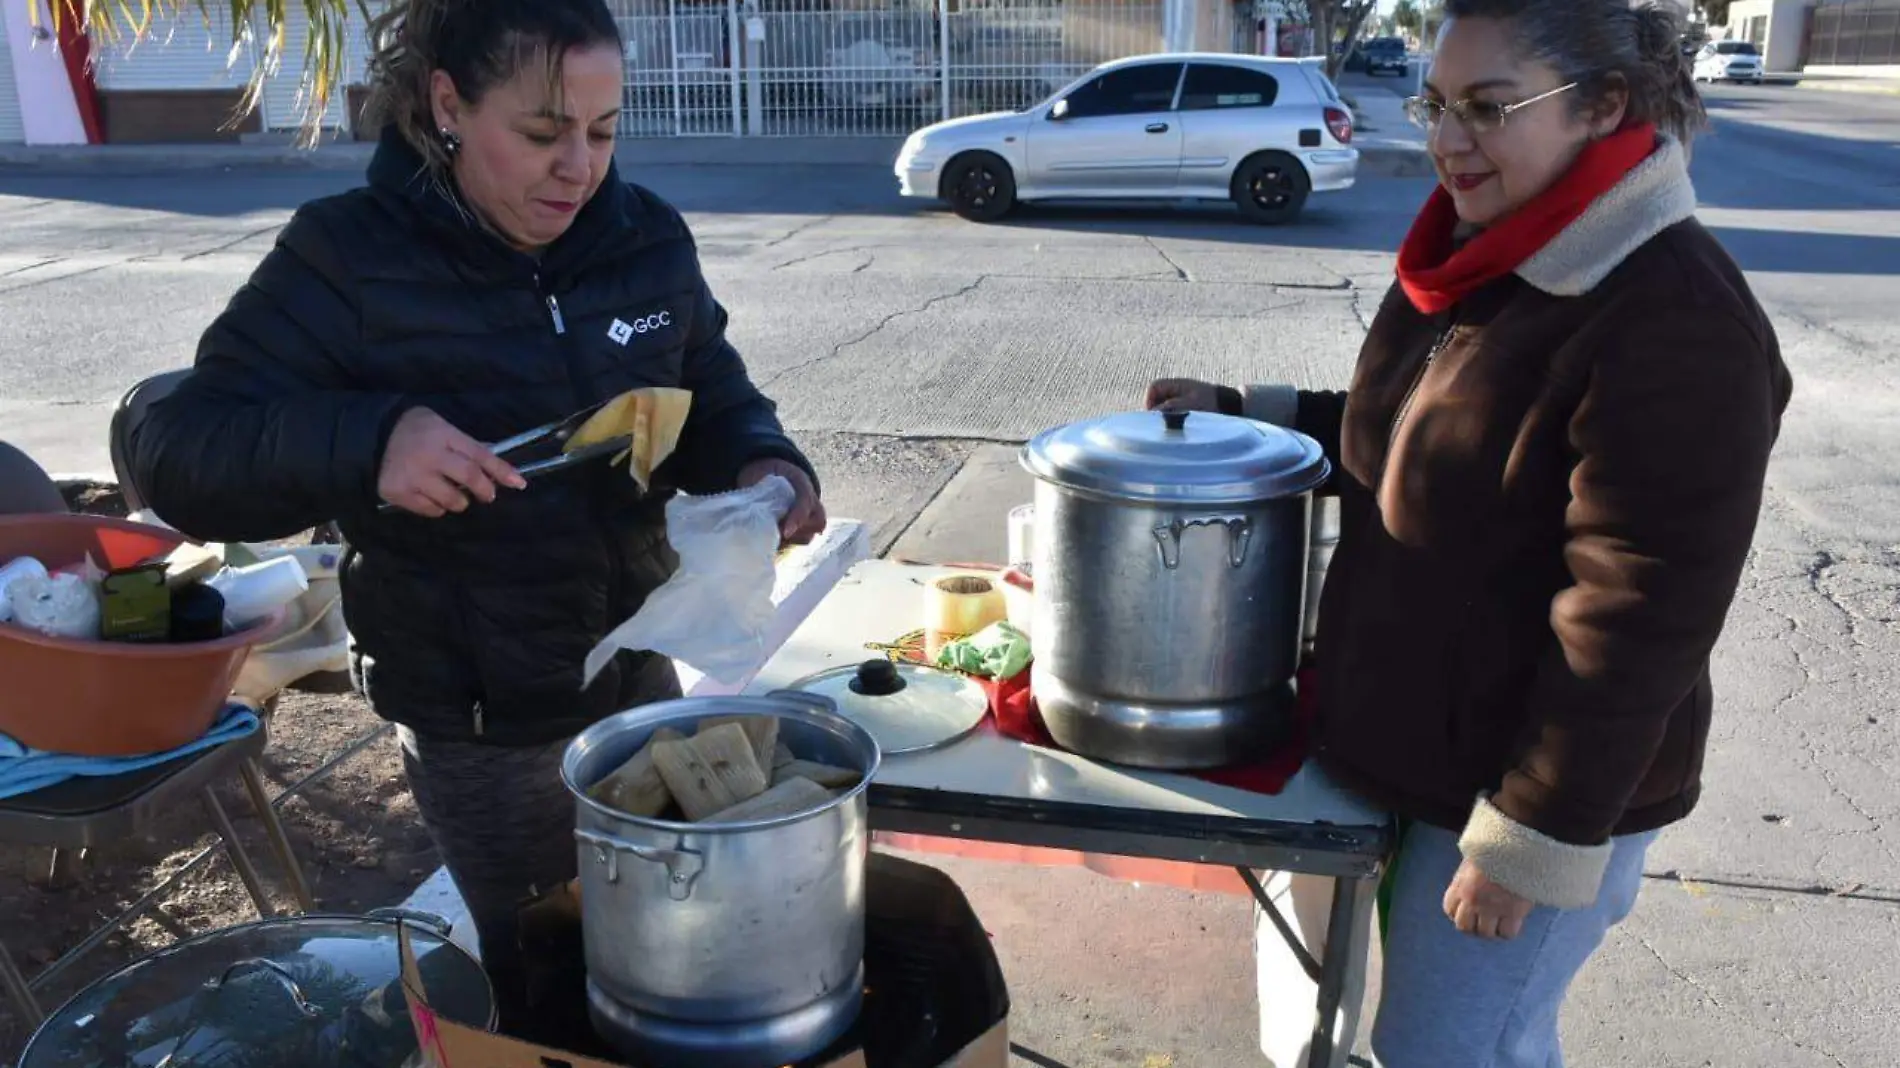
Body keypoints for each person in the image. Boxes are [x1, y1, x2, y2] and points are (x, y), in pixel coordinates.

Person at [131, 0, 824, 1031]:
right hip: (480, 718)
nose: (579, 169)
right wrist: (369, 443)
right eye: (543, 134)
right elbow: (177, 451)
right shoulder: (347, 259)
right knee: (549, 975)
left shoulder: (640, 239)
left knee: (677, 949)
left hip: (636, 671)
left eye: (604, 130)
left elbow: (707, 383)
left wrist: (766, 461)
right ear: (448, 104)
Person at [1148, 1, 1791, 1063]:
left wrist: (1530, 836)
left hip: (1518, 790)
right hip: (1403, 742)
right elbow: (1426, 440)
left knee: (1455, 1052)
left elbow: (1637, 611)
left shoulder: (1670, 314)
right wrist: (1251, 413)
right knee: (1336, 1026)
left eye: (1489, 109)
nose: (1445, 141)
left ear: (1603, 107)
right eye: (1438, 105)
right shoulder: (1493, 250)